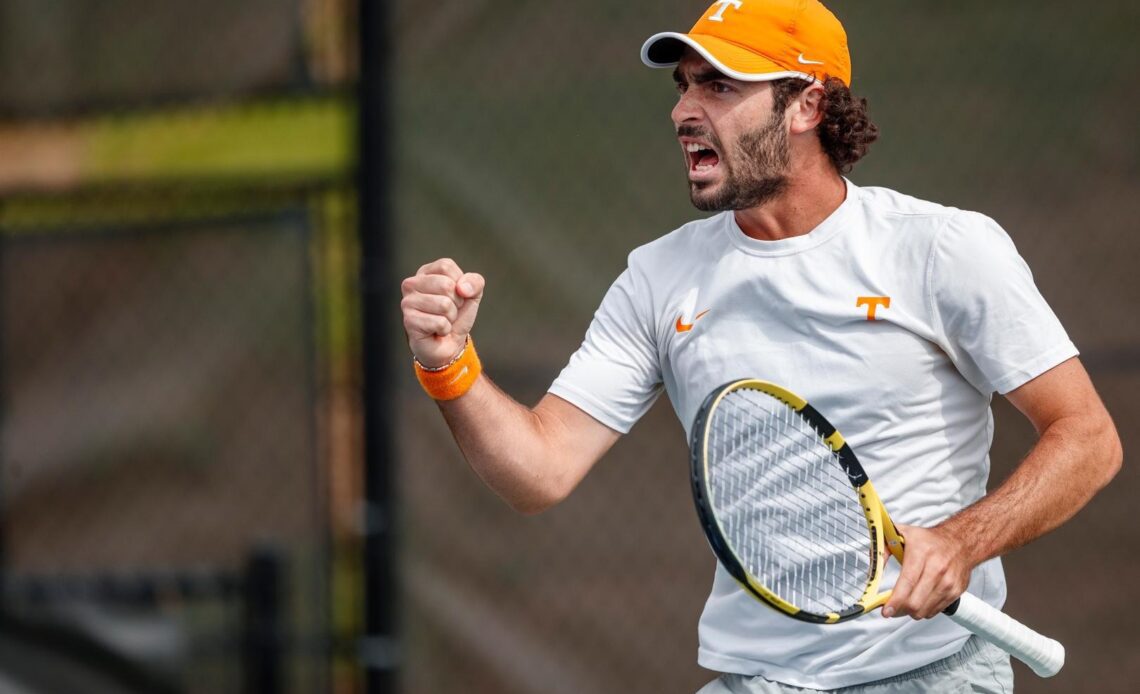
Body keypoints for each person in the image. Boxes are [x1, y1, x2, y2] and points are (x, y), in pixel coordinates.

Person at [399, 0, 1121, 691]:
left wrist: (965, 542)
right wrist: (448, 366)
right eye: (685, 87)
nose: (684, 111)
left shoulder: (941, 249)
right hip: (756, 682)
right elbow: (539, 472)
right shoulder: (658, 277)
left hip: (937, 675)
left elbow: (1088, 437)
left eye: (719, 85)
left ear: (807, 104)